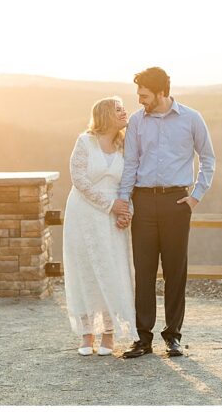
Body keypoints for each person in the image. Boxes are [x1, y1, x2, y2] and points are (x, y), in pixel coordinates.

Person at [114, 67, 216, 359]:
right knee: (143, 272)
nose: (139, 99)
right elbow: (130, 164)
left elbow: (208, 159)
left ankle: (173, 337)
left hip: (176, 202)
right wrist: (124, 201)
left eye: (144, 94)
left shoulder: (192, 119)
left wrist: (195, 197)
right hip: (143, 202)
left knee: (175, 271)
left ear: (160, 92)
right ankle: (142, 339)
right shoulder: (136, 121)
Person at [62, 96, 139, 356]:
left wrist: (125, 210)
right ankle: (87, 334)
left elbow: (129, 180)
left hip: (113, 218)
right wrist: (109, 205)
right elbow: (79, 180)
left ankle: (109, 333)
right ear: (105, 114)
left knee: (111, 268)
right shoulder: (85, 142)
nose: (124, 112)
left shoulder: (124, 145)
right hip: (83, 214)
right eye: (118, 109)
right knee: (85, 270)